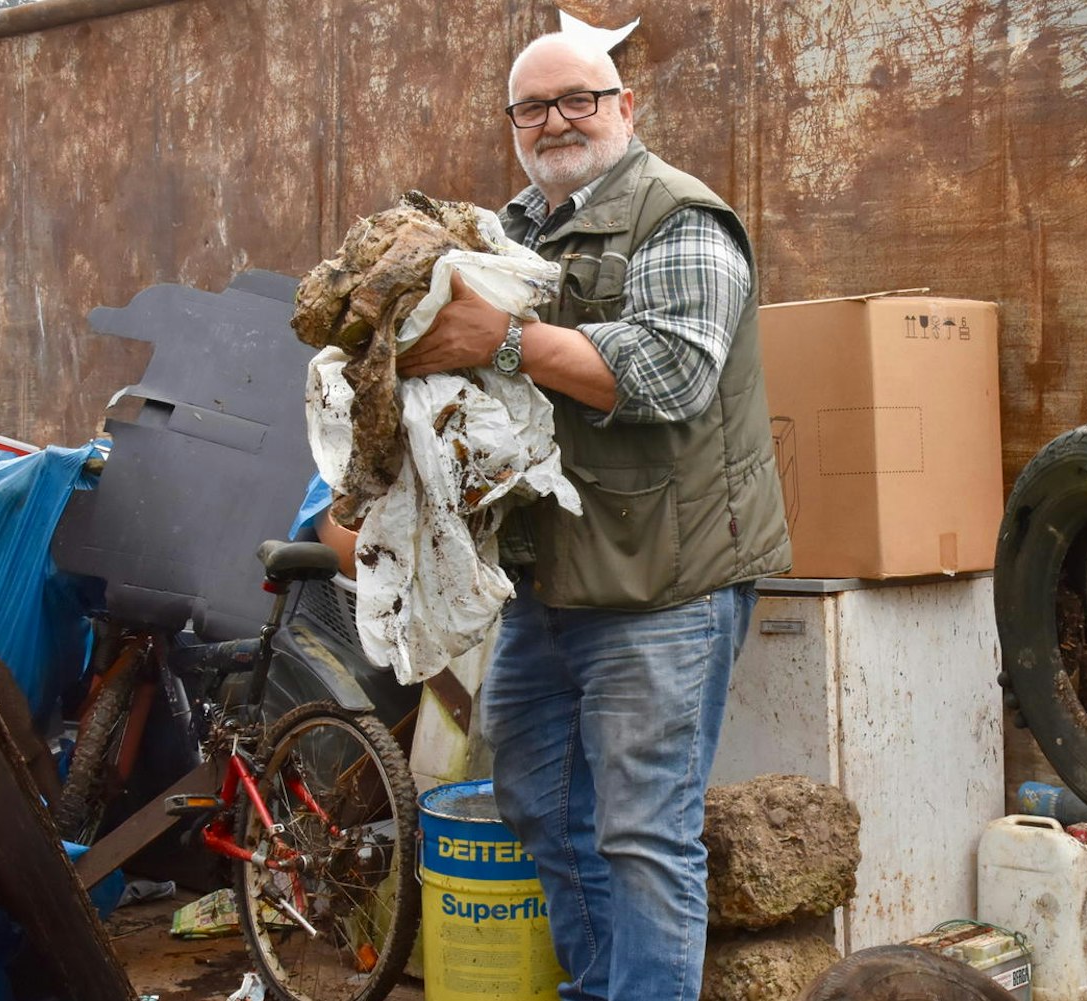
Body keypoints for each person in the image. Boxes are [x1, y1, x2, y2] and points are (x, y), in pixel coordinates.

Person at [397, 32, 790, 1001]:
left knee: (644, 831)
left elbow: (670, 371)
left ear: (626, 104)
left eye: (578, 98)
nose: (554, 122)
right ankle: (605, 986)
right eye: (530, 108)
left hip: (665, 580)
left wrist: (502, 341)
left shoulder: (680, 215)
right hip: (552, 576)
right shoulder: (512, 232)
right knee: (538, 798)